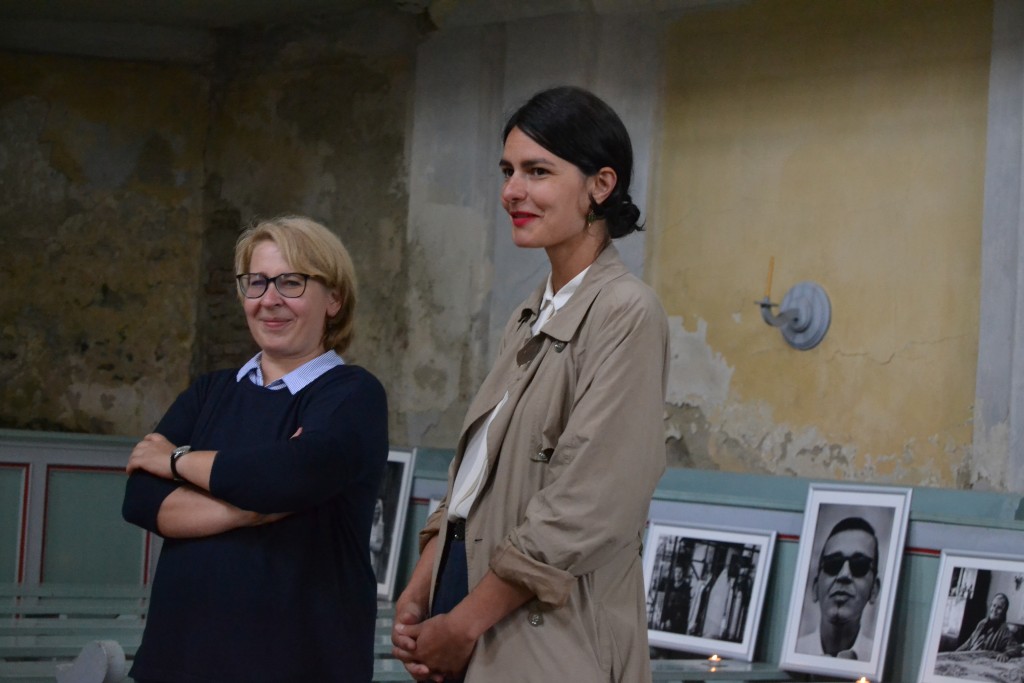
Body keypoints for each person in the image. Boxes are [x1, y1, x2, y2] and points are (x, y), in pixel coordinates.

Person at [391, 85, 669, 683]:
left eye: (537, 171)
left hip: (547, 637)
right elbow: (471, 483)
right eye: (507, 171)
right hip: (464, 601)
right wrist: (420, 588)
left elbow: (589, 503)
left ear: (601, 184)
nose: (511, 191)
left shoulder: (627, 312)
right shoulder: (526, 316)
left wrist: (464, 624)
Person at [122, 215, 389, 683]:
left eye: (291, 282)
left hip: (296, 663)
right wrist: (252, 507)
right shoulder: (209, 392)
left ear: (333, 299)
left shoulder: (352, 394)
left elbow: (288, 477)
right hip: (177, 659)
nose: (269, 299)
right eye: (257, 282)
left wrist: (176, 461)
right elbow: (141, 499)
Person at [795, 517, 881, 660]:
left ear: (874, 590)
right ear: (815, 587)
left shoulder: (878, 658)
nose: (844, 575)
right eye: (833, 563)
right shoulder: (796, 652)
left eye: (859, 565)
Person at [955, 593, 1023, 661]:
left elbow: (1016, 648)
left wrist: (1006, 654)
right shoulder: (982, 623)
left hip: (979, 660)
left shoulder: (1005, 630)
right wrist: (955, 652)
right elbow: (969, 641)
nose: (994, 610)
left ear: (1004, 612)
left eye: (999, 608)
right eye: (993, 605)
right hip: (968, 655)